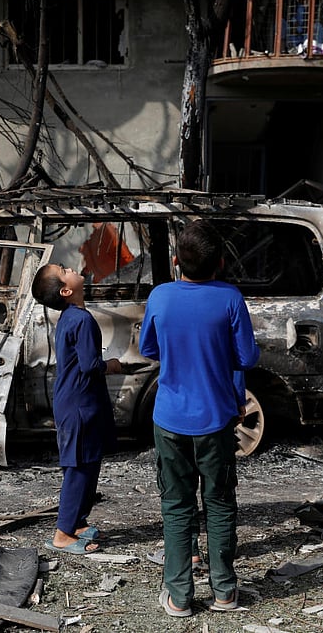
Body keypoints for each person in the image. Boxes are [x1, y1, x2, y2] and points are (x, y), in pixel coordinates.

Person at [138, 220, 260, 617]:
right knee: (220, 501)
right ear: (221, 262)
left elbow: (148, 348)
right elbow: (248, 357)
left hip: (170, 417)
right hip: (217, 417)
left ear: (176, 262)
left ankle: (179, 595)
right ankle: (225, 592)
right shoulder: (230, 298)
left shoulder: (160, 296)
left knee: (176, 503)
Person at [31, 263, 122, 554]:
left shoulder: (74, 316)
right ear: (66, 290)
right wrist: (113, 365)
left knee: (89, 462)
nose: (71, 267)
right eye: (63, 269)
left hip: (80, 401)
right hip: (78, 403)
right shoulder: (80, 321)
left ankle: (78, 522)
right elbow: (89, 366)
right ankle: (62, 533)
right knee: (78, 468)